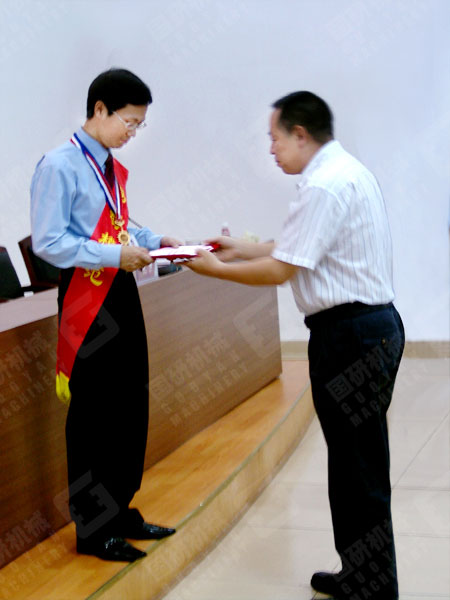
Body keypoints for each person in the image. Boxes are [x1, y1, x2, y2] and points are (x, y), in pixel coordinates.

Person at [185, 91, 404, 600]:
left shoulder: (324, 185)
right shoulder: (344, 172)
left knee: (359, 469)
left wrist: (216, 270)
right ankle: (360, 574)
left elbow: (283, 268)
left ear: (300, 134)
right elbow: (301, 248)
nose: (271, 149)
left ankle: (375, 588)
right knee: (352, 464)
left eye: (274, 138)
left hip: (351, 337)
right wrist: (240, 249)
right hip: (364, 331)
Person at [30, 68, 179, 562]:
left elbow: (120, 223)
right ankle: (94, 528)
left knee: (129, 403)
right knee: (95, 414)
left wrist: (156, 241)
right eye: (129, 122)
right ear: (100, 109)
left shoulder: (108, 166)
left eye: (139, 125)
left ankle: (120, 510)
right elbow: (50, 242)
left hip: (119, 290)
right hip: (85, 298)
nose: (132, 133)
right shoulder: (60, 165)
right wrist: (116, 255)